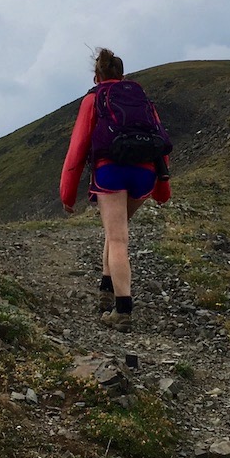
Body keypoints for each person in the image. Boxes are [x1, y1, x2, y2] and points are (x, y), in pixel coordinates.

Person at [60, 48, 171, 331]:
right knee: (117, 230)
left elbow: (77, 148)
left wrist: (68, 194)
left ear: (97, 76)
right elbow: (159, 139)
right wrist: (162, 187)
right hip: (145, 173)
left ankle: (122, 310)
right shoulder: (141, 98)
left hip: (111, 171)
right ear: (122, 74)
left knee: (118, 238)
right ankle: (106, 289)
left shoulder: (94, 98)